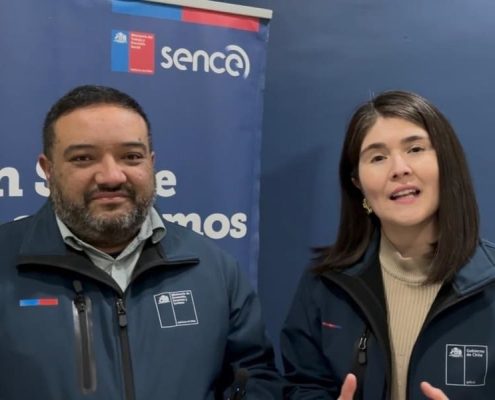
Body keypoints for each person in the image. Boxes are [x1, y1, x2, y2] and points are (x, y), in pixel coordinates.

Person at [0, 84, 282, 399]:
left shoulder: (213, 269)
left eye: (131, 157)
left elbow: (255, 377)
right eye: (83, 158)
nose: (111, 176)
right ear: (48, 169)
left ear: (151, 162)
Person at [281, 90, 495, 399]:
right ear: (357, 183)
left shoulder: (489, 280)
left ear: (446, 163)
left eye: (415, 149)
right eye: (378, 157)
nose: (399, 169)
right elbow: (301, 386)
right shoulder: (326, 286)